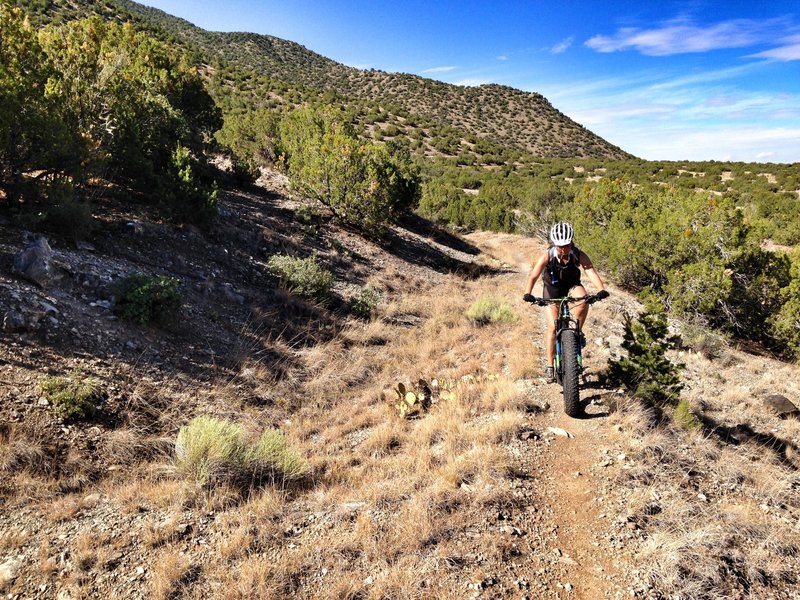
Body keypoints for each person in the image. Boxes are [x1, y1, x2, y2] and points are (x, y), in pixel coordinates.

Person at [523, 222, 609, 383]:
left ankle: (578, 332)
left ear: (572, 242)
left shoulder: (578, 254)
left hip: (572, 286)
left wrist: (601, 289)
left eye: (567, 245)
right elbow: (533, 276)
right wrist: (528, 293)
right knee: (552, 327)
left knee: (584, 300)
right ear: (555, 244)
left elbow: (590, 270)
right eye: (560, 246)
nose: (563, 249)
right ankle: (550, 366)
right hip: (552, 289)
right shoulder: (547, 256)